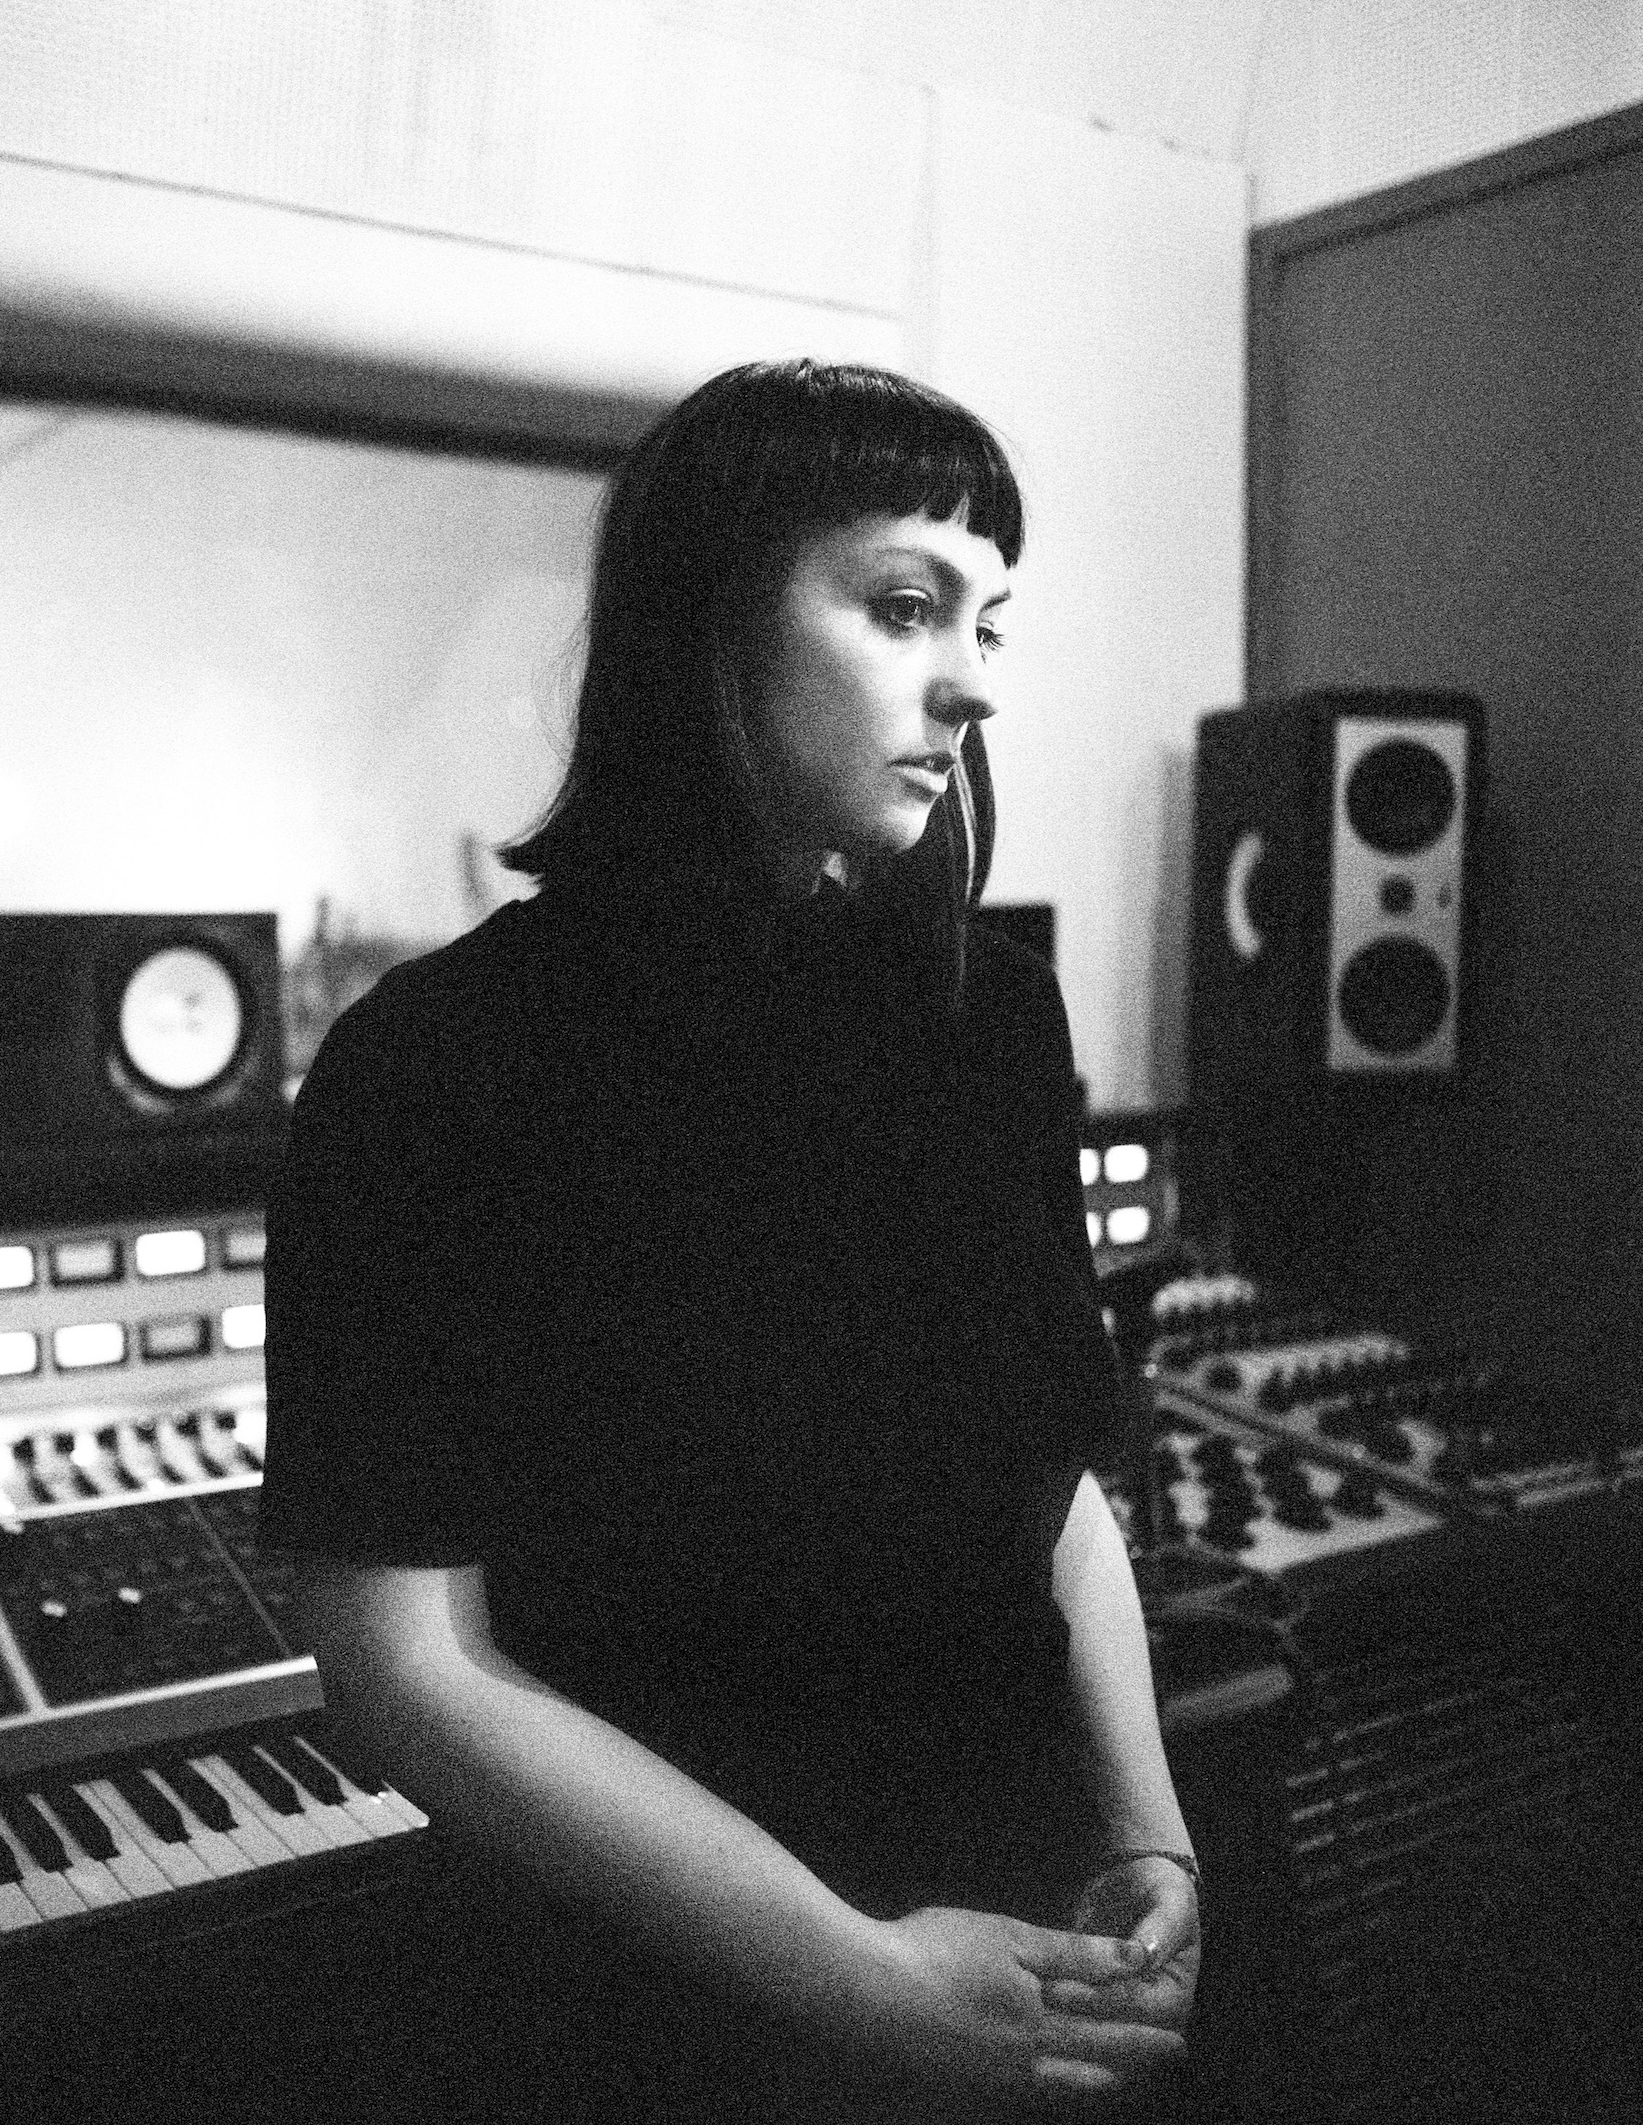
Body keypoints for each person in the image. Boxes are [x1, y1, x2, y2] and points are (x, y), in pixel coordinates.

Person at [258, 359, 1201, 2122]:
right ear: (706, 623)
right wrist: (860, 1976)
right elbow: (405, 1665)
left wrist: (1150, 1831)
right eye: (906, 606)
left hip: (1023, 1955)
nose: (974, 679)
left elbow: (1047, 1484)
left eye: (990, 620)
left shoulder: (995, 1018)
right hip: (640, 2018)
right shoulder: (431, 1065)